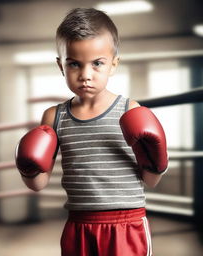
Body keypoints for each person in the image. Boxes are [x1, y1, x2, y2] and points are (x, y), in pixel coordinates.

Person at [15, 7, 168, 256]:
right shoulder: (55, 116)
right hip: (79, 224)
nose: (86, 75)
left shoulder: (131, 111)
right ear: (60, 66)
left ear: (113, 65)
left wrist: (156, 158)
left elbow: (151, 180)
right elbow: (38, 184)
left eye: (97, 64)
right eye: (75, 64)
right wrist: (27, 165)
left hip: (127, 224)